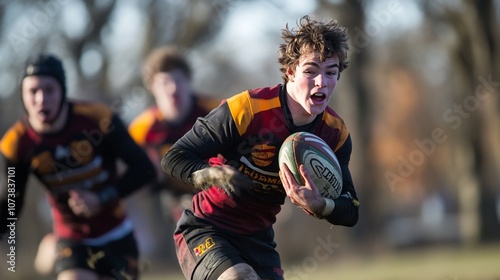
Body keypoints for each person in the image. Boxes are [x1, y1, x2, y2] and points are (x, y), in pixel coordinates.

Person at [161, 15, 360, 280]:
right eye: (311, 71)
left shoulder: (335, 134)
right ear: (290, 71)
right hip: (207, 228)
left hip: (258, 240)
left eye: (331, 72)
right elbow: (175, 157)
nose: (322, 82)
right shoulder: (248, 109)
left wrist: (321, 204)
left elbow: (351, 208)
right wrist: (209, 175)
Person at [0, 53, 156, 280]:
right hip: (71, 239)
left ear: (62, 91)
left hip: (117, 233)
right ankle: (52, 245)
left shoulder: (98, 119)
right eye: (33, 91)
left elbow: (144, 169)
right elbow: (12, 204)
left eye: (49, 90)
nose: (41, 99)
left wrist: (102, 198)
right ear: (23, 94)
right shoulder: (16, 144)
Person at [127, 46, 219, 261]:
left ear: (188, 81)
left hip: (221, 190)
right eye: (163, 83)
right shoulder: (141, 130)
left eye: (177, 80)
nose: (172, 89)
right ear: (152, 89)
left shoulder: (216, 112)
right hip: (175, 199)